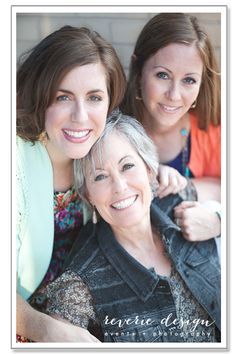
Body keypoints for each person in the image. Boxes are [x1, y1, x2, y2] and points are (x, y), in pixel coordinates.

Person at [41, 113, 220, 343]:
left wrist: (218, 221)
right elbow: (56, 335)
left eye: (127, 166)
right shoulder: (81, 279)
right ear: (88, 195)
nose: (120, 186)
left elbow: (221, 189)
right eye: (100, 177)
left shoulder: (176, 201)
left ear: (148, 169)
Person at [16, 25, 126, 342]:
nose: (80, 116)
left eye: (94, 97)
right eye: (63, 96)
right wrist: (47, 331)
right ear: (41, 96)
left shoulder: (102, 154)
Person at [121, 12, 221, 241]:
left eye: (189, 80)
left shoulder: (217, 131)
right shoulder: (113, 129)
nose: (174, 95)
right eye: (163, 75)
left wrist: (219, 222)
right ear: (138, 72)